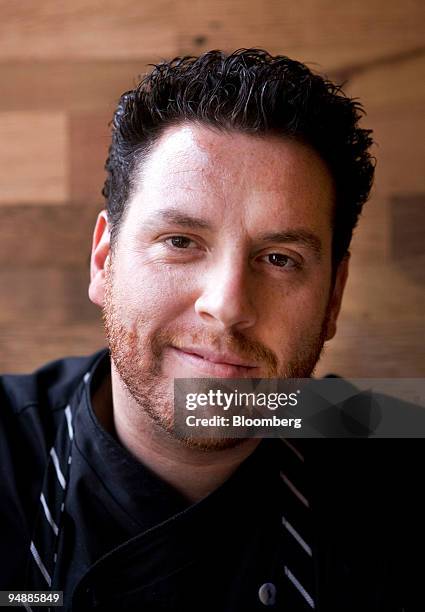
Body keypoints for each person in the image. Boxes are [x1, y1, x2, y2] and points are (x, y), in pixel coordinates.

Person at [0, 49, 421, 611]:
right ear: (104, 259)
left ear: (333, 298)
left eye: (280, 258)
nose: (226, 305)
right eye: (180, 242)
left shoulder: (389, 453)